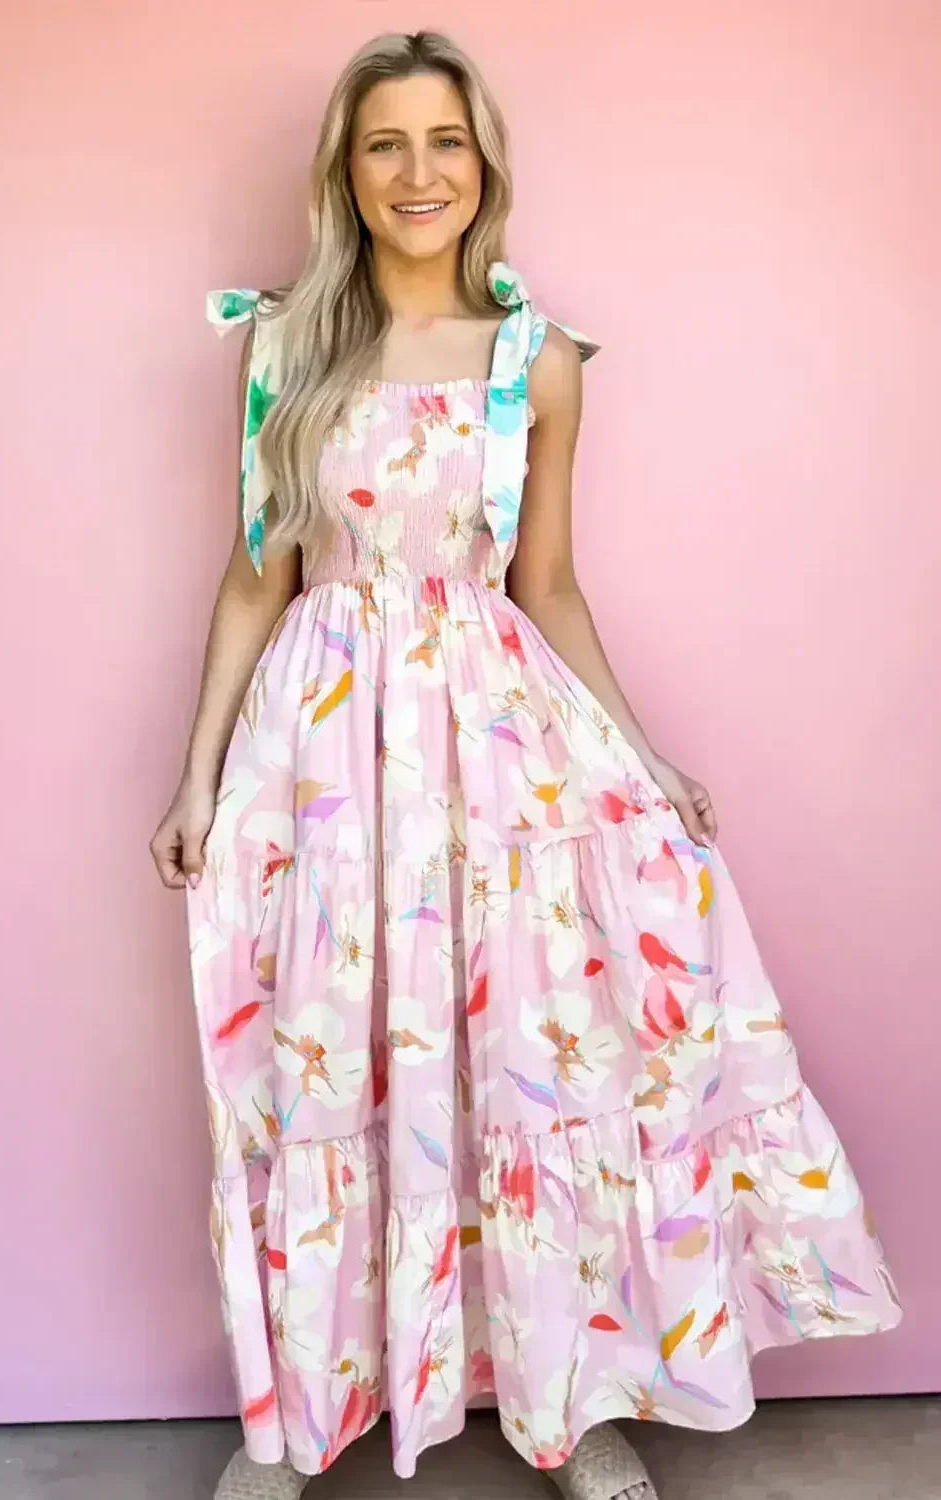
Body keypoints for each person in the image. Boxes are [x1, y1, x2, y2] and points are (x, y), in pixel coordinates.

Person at [150, 29, 901, 1500]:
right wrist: (197, 777)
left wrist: (645, 756)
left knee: (530, 1061)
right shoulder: (283, 346)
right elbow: (252, 577)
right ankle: (302, 1416)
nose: (417, 173)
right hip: (325, 758)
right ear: (345, 172)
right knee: (326, 1061)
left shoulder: (537, 362)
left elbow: (544, 583)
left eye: (445, 141)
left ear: (483, 165)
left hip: (499, 749)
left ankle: (568, 1401)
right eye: (384, 144)